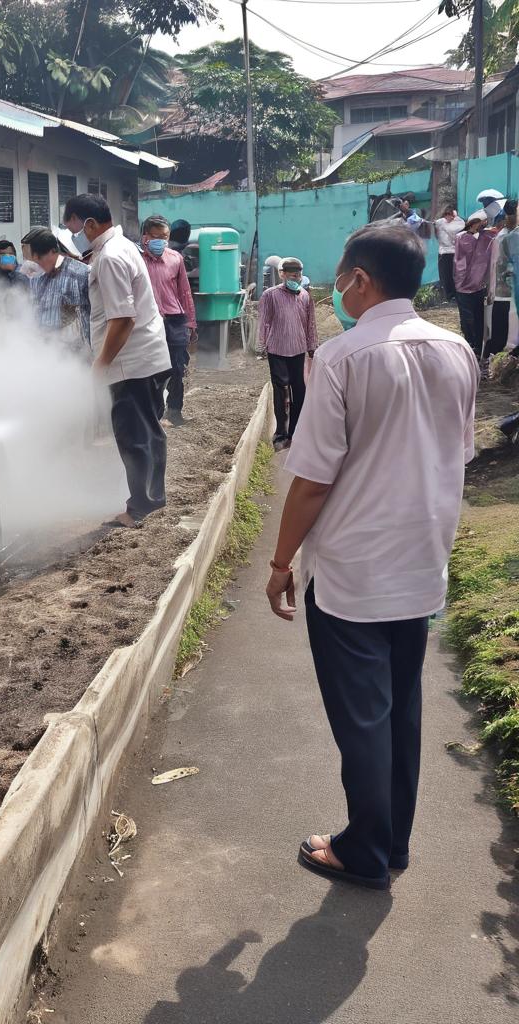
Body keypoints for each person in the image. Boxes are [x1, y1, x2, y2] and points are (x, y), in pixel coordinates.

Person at [266, 225, 478, 890]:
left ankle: (364, 851)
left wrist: (279, 565)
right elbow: (457, 452)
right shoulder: (458, 350)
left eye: (341, 276)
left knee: (363, 718)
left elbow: (312, 480)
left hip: (355, 572)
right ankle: (392, 843)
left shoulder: (343, 357)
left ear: (360, 279)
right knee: (401, 709)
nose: (334, 286)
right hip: (421, 562)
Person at [63, 193, 171, 528]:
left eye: (74, 229)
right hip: (146, 358)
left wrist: (100, 366)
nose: (74, 237)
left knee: (134, 436)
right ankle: (152, 500)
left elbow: (122, 319)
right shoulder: (121, 248)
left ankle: (139, 509)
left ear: (91, 224)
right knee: (149, 433)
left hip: (131, 364)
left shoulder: (110, 257)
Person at [141, 214, 198, 426]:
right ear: (144, 236)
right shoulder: (136, 260)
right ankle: (153, 414)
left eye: (164, 236)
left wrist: (191, 323)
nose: (160, 241)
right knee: (151, 370)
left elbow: (184, 292)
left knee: (177, 368)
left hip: (175, 320)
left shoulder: (176, 258)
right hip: (148, 321)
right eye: (155, 236)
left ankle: (174, 411)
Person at [257, 257, 316, 450]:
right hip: (277, 349)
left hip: (299, 349)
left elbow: (310, 323)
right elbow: (264, 321)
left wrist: (312, 345)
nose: (296, 277)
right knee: (281, 391)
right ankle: (280, 434)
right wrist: (262, 345)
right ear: (282, 274)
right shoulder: (270, 295)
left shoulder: (305, 296)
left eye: (298, 274)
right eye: (292, 274)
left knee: (300, 391)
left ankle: (296, 432)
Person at [25, 227, 91, 355]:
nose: (37, 265)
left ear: (53, 251)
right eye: (34, 261)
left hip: (77, 356)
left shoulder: (81, 275)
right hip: (46, 353)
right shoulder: (36, 278)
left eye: (40, 259)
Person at [454, 210, 495, 359]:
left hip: (478, 287)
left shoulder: (484, 238)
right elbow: (460, 262)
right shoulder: (462, 238)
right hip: (465, 287)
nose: (482, 225)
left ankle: (477, 346)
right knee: (468, 318)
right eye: (480, 222)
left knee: (478, 318)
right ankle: (470, 344)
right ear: (473, 224)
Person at [487, 199, 517, 361]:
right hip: (503, 292)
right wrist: (491, 290)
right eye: (513, 214)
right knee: (500, 333)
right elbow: (495, 266)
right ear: (507, 216)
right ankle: (493, 361)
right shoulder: (502, 237)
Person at [434, 205, 465, 301]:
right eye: (448, 214)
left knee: (455, 275)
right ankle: (450, 295)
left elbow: (453, 230)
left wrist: (455, 218)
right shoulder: (439, 222)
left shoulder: (458, 222)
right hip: (444, 252)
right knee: (445, 275)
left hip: (454, 251)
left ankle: (455, 295)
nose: (450, 217)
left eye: (451, 214)